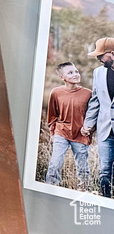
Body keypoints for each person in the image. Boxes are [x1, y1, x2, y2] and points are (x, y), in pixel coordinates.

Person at [45, 61, 92, 188]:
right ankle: (50, 189)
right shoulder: (56, 93)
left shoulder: (88, 94)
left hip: (80, 135)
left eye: (76, 71)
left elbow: (93, 115)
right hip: (62, 132)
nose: (75, 74)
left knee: (83, 167)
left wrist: (90, 129)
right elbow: (52, 115)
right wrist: (53, 133)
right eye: (70, 73)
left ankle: (85, 190)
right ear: (62, 77)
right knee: (55, 163)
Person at [81, 37, 114, 196]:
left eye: (101, 55)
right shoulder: (98, 73)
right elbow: (95, 101)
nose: (98, 58)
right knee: (104, 173)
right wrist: (88, 124)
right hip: (105, 130)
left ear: (112, 53)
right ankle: (106, 202)